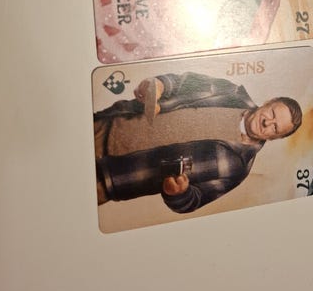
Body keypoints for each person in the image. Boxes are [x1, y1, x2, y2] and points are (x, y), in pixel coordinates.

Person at [94, 71, 302, 214]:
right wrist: (159, 85)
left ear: (274, 138)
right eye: (272, 113)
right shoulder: (230, 92)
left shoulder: (238, 168)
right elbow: (182, 82)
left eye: (275, 128)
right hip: (109, 124)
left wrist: (180, 194)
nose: (267, 122)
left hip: (111, 180)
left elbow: (194, 200)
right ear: (268, 102)